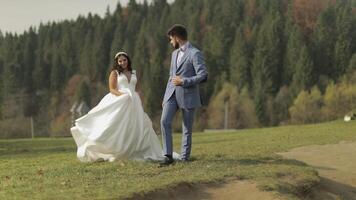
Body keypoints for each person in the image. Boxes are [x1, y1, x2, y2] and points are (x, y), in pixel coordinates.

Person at [71, 52, 164, 162]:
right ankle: (115, 149)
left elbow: (136, 88)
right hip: (121, 100)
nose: (123, 62)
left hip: (134, 102)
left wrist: (138, 97)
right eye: (120, 61)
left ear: (128, 60)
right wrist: (124, 95)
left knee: (136, 125)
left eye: (124, 60)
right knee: (116, 125)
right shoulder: (115, 73)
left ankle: (137, 150)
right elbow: (112, 89)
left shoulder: (133, 73)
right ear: (117, 62)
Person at [160, 24, 208, 166]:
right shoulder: (174, 54)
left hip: (188, 94)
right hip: (172, 94)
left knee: (186, 128)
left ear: (176, 37)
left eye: (171, 39)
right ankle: (168, 156)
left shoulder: (195, 53)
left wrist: (184, 81)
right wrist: (165, 97)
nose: (170, 42)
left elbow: (203, 75)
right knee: (164, 121)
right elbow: (171, 76)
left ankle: (184, 158)